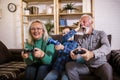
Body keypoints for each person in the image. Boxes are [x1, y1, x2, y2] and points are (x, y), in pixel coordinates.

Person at [65, 14, 113, 80]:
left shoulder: (101, 34)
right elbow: (79, 53)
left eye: (84, 21)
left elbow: (107, 47)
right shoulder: (80, 39)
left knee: (108, 69)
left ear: (91, 22)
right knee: (69, 65)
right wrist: (75, 55)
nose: (82, 24)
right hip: (86, 66)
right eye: (81, 23)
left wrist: (92, 54)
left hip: (101, 65)